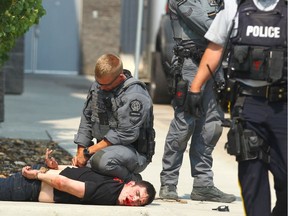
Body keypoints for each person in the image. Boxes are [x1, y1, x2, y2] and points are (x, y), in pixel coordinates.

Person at [189, 0, 287, 215]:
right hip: (247, 104)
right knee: (251, 172)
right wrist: (195, 87)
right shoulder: (235, 8)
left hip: (284, 107)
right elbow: (215, 47)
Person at [159, 0, 236, 203]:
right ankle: (169, 182)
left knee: (212, 126)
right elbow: (210, 27)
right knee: (184, 125)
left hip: (214, 66)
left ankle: (203, 184)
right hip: (190, 67)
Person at [72, 54, 155, 182]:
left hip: (133, 152)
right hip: (102, 149)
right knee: (83, 171)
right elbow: (86, 119)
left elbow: (125, 134)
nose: (101, 88)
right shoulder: (98, 86)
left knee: (102, 162)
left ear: (120, 78)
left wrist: (89, 152)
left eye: (105, 85)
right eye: (98, 83)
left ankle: (133, 180)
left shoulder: (135, 94)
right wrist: (81, 152)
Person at [0, 149, 156, 206]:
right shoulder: (110, 192)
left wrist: (55, 167)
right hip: (32, 186)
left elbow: (79, 173)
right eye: (137, 194)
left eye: (139, 203)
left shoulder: (116, 181)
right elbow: (63, 183)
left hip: (36, 180)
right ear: (131, 184)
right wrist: (38, 175)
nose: (134, 200)